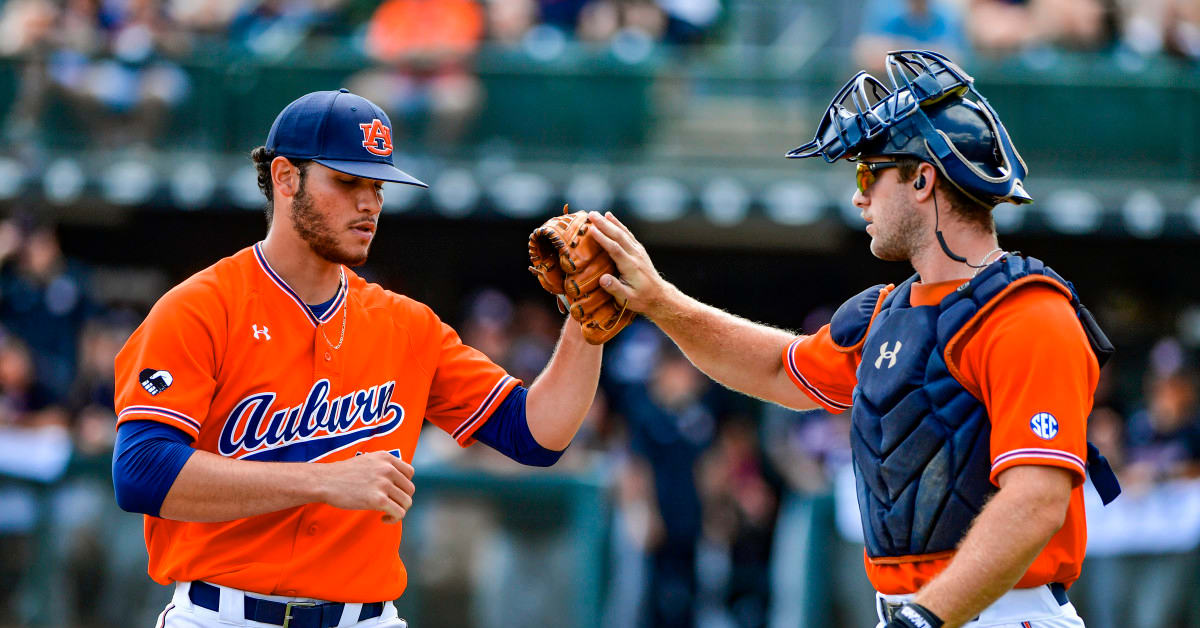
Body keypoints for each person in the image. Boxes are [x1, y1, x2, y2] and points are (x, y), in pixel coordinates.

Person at [584, 50, 1120, 628]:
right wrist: (661, 302)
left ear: (922, 178)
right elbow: (773, 369)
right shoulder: (888, 314)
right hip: (917, 615)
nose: (859, 195)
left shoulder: (1027, 314)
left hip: (1001, 615)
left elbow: (1035, 501)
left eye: (869, 172)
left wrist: (926, 618)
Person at [110, 88, 604, 628]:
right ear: (285, 178)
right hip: (223, 615)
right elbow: (142, 472)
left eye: (377, 186)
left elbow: (535, 437)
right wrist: (322, 479)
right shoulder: (201, 308)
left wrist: (585, 326)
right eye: (347, 182)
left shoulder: (407, 324)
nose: (369, 203)